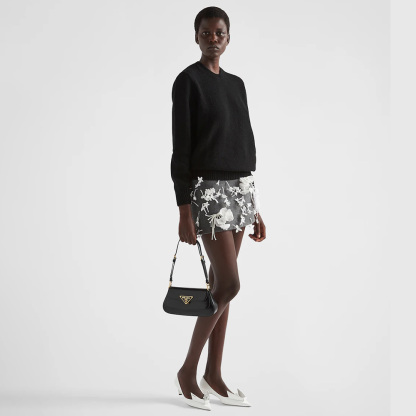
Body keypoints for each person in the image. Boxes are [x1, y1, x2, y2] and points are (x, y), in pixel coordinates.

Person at [170, 6, 266, 410]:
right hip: (207, 191)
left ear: (228, 37)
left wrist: (254, 206)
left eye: (220, 32)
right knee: (229, 284)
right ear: (196, 37)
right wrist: (184, 209)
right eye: (206, 33)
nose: (213, 39)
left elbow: (241, 141)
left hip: (240, 189)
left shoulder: (236, 84)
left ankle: (214, 374)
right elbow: (181, 149)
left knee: (220, 288)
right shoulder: (187, 82)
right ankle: (187, 372)